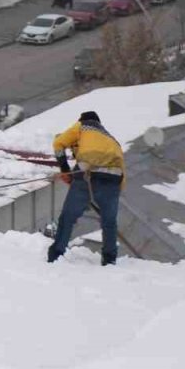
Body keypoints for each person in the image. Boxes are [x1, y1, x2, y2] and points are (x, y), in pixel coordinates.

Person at [47, 111, 126, 266]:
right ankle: (109, 259)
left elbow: (58, 144)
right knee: (109, 222)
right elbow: (123, 175)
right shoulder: (113, 140)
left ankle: (56, 253)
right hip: (113, 180)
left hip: (86, 174)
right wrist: (109, 194)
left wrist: (65, 170)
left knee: (67, 217)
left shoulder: (83, 126)